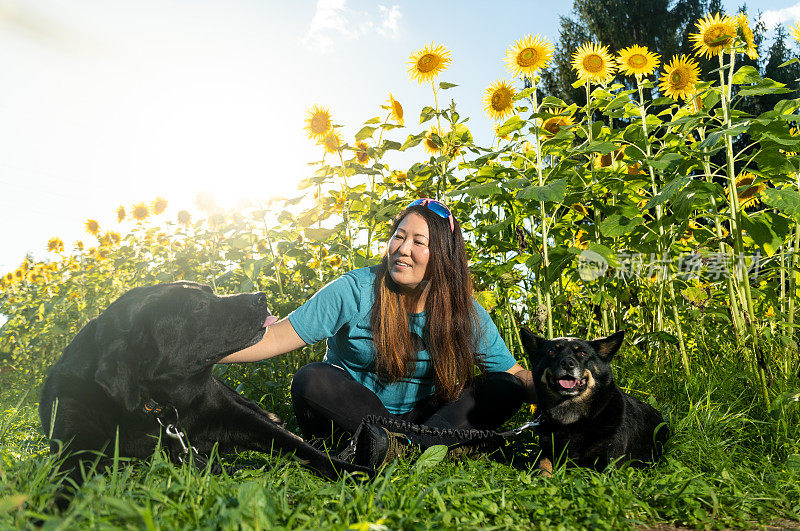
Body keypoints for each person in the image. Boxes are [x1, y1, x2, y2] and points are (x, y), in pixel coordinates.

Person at [221, 198, 536, 468]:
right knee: (311, 378)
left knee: (505, 386)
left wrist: (571, 388)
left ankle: (403, 447)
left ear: (442, 254)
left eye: (418, 242)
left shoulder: (463, 311)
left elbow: (513, 374)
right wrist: (195, 351)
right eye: (399, 237)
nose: (402, 249)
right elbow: (276, 337)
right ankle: (426, 450)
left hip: (425, 417)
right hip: (355, 414)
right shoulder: (355, 290)